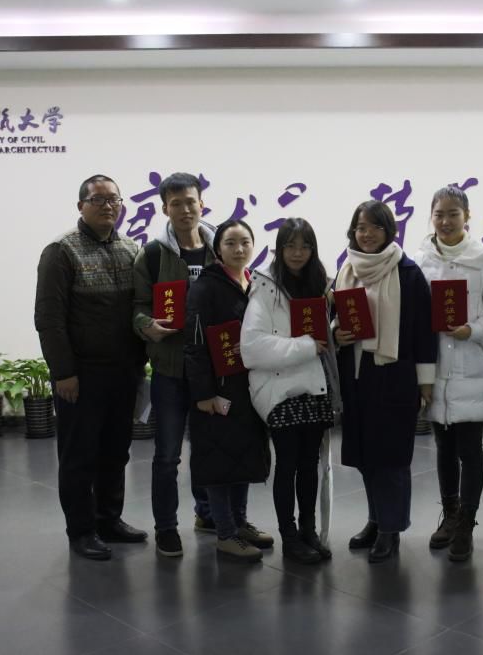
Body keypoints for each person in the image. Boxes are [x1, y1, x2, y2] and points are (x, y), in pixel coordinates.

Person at [34, 174, 148, 560]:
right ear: (81, 205)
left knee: (116, 452)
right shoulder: (61, 251)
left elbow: (140, 309)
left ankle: (108, 519)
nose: (108, 206)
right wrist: (63, 372)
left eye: (114, 199)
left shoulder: (131, 249)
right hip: (81, 375)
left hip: (124, 371)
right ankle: (81, 530)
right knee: (79, 456)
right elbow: (49, 319)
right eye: (98, 199)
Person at [336, 200, 437, 563]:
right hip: (357, 374)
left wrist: (425, 383)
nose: (366, 234)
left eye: (374, 227)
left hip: (394, 373)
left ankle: (391, 530)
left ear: (389, 230)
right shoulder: (347, 268)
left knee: (391, 457)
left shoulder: (408, 273)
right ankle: (376, 520)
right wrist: (336, 333)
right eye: (360, 227)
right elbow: (336, 316)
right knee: (366, 455)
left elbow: (424, 331)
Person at [411, 186, 483, 562]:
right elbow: (416, 319)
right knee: (444, 448)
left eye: (454, 213)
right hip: (435, 367)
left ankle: (466, 523)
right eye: (439, 214)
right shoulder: (420, 261)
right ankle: (449, 515)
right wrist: (422, 375)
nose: (446, 221)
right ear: (431, 217)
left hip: (472, 366)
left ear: (468, 216)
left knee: (470, 449)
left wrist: (473, 330)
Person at [241, 218, 338, 564]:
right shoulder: (265, 289)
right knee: (288, 465)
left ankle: (308, 531)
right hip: (280, 391)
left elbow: (328, 336)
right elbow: (251, 348)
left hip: (313, 388)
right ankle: (289, 536)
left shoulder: (320, 285)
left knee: (310, 465)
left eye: (305, 246)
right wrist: (306, 347)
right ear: (279, 249)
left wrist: (333, 335)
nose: (298, 253)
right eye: (291, 246)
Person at [131, 172, 216, 558]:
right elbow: (137, 306)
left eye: (191, 202)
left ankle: (207, 513)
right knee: (167, 456)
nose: (185, 210)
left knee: (208, 448)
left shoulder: (220, 249)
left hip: (211, 370)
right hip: (169, 369)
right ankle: (166, 527)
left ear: (202, 204)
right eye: (176, 203)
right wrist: (146, 324)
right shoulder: (152, 255)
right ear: (165, 208)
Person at [184, 218, 274, 562]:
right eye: (230, 243)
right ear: (217, 249)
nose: (239, 249)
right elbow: (194, 344)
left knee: (243, 457)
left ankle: (240, 523)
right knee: (218, 462)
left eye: (245, 242)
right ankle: (224, 533)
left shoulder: (254, 284)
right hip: (218, 391)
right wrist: (203, 393)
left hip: (248, 388)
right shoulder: (206, 287)